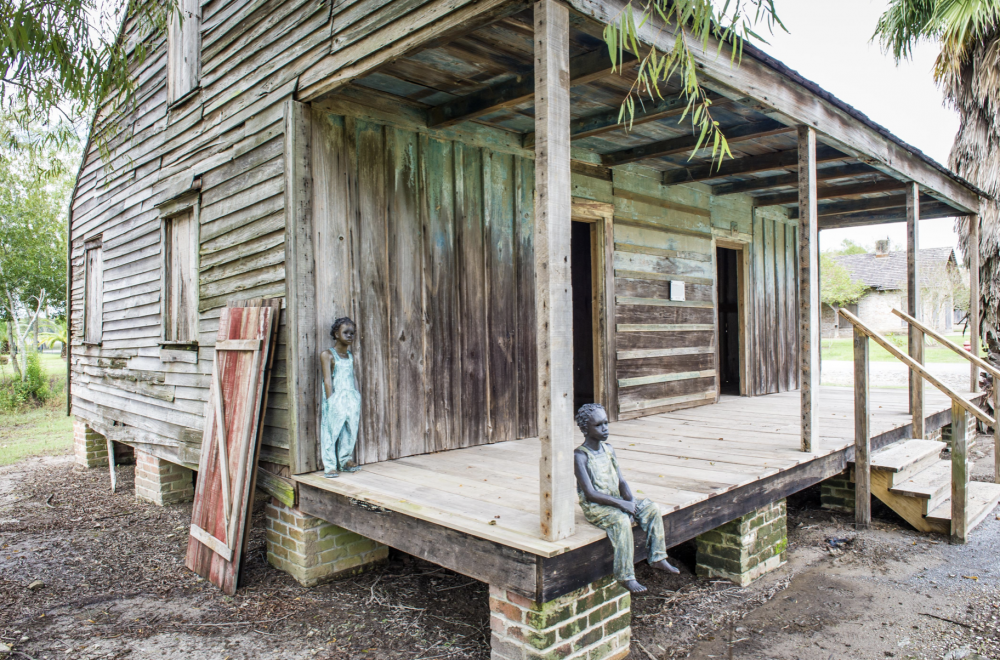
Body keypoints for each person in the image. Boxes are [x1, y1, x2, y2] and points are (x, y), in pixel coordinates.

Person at [574, 403, 678, 593]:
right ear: (585, 428)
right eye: (598, 425)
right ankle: (625, 575)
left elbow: (621, 481)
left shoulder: (609, 449)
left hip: (616, 500)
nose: (605, 428)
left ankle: (657, 557)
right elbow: (590, 493)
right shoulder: (580, 456)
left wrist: (629, 502)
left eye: (606, 423)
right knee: (621, 521)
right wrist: (623, 507)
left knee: (651, 507)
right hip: (596, 507)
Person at [320, 317, 362, 478]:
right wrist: (331, 400)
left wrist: (357, 395)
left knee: (350, 430)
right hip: (336, 398)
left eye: (352, 333)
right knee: (331, 431)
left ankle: (345, 460)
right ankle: (330, 465)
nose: (350, 336)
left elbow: (353, 376)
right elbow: (327, 379)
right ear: (336, 334)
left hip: (351, 397)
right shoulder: (328, 355)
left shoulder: (350, 356)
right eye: (346, 332)